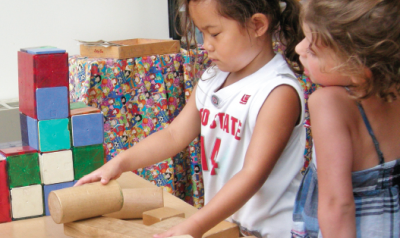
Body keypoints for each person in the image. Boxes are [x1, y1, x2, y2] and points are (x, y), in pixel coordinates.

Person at [75, 0, 306, 237]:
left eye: (215, 33)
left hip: (268, 232)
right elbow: (174, 135)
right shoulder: (213, 77)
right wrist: (119, 164)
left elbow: (252, 174)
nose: (206, 45)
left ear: (257, 25)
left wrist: (194, 225)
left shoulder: (278, 92)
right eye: (201, 33)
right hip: (226, 225)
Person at [291, 0, 400, 237]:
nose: (299, 49)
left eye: (313, 51)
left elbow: (336, 205)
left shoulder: (328, 103)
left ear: (359, 67)